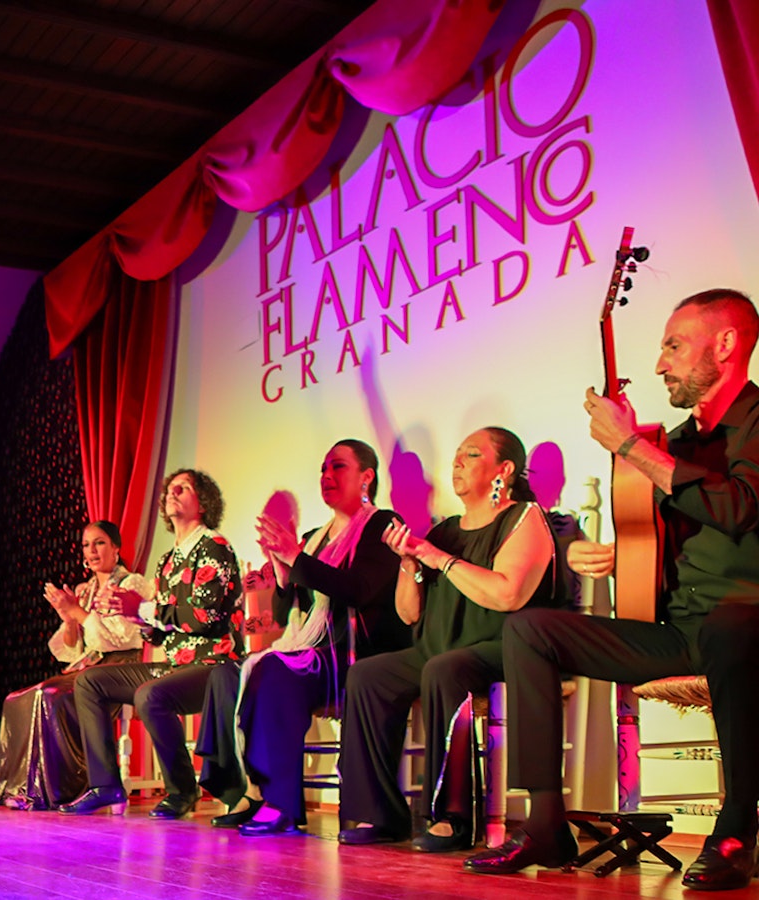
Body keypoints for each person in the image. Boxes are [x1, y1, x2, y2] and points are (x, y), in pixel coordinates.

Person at [466, 289, 759, 891]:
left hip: (747, 626)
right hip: (679, 632)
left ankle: (736, 828)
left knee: (733, 625)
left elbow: (739, 509)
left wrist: (630, 447)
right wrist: (611, 551)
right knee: (528, 628)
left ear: (725, 345)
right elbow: (662, 535)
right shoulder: (673, 442)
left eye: (674, 346)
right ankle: (545, 822)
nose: (659, 364)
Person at [337, 427, 562, 851]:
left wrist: (440, 559)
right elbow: (409, 614)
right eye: (456, 454)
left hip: (501, 647)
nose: (457, 462)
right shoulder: (444, 531)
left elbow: (507, 593)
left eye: (471, 454)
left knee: (444, 668)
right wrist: (408, 562)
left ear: (504, 469)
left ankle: (451, 816)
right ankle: (381, 814)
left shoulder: (524, 517)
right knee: (367, 675)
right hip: (439, 646)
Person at [196, 440, 411, 835]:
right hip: (310, 652)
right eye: (323, 468)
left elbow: (361, 590)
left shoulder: (383, 524)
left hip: (352, 655)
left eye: (338, 467)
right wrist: (282, 572)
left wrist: (295, 558)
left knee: (275, 671)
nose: (326, 476)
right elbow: (289, 617)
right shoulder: (315, 537)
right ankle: (248, 789)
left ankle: (280, 804)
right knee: (226, 674)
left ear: (367, 477)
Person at [57, 469, 245, 818]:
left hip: (214, 664)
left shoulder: (214, 547)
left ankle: (183, 790)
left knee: (151, 694)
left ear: (202, 502)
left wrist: (142, 607)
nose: (171, 494)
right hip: (176, 664)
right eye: (169, 490)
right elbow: (161, 633)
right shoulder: (167, 561)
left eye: (182, 489)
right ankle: (105, 785)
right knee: (89, 682)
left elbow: (202, 618)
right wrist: (135, 618)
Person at [0, 520, 148, 810]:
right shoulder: (84, 589)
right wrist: (68, 618)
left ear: (116, 547)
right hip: (88, 666)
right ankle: (22, 787)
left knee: (48, 695)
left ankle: (64, 787)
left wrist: (76, 611)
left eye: (99, 542)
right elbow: (71, 649)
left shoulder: (132, 583)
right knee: (17, 699)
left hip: (119, 666)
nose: (91, 550)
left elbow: (121, 637)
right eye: (86, 544)